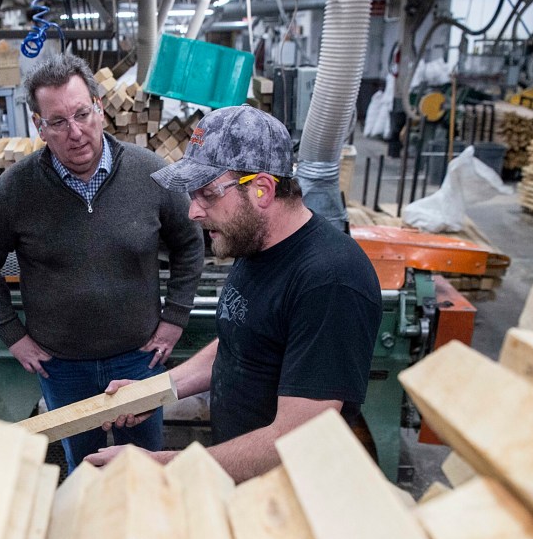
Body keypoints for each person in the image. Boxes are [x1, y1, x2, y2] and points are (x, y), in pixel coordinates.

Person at [85, 105, 382, 483]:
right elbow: (242, 341)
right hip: (243, 478)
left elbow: (294, 439)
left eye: (207, 194)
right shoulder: (255, 244)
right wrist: (154, 391)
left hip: (289, 496)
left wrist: (163, 466)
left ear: (262, 189)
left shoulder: (331, 281)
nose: (193, 212)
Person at [0, 54, 204, 472]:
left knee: (143, 467)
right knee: (84, 468)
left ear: (100, 108)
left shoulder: (150, 172)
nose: (75, 132)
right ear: (39, 127)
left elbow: (190, 242)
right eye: (57, 122)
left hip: (139, 358)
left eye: (82, 113)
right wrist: (12, 334)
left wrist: (175, 317)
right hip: (61, 365)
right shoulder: (17, 188)